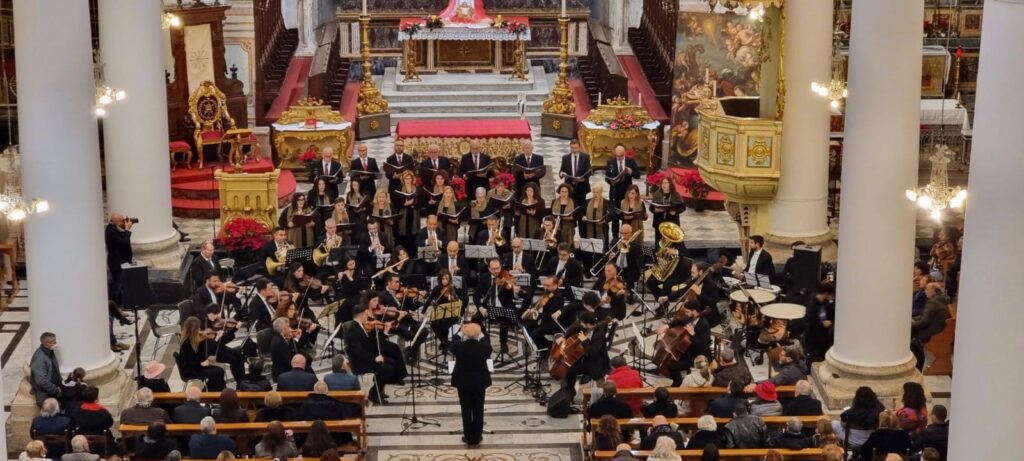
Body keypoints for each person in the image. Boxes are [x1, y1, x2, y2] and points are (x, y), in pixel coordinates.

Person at [346, 303, 405, 404]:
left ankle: (378, 389)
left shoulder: (360, 326)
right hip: (360, 363)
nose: (368, 316)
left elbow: (370, 344)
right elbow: (358, 352)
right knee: (388, 368)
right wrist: (375, 358)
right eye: (366, 314)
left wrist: (385, 332)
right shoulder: (353, 330)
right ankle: (373, 394)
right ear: (360, 315)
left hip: (366, 358)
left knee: (392, 362)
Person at [451, 322, 492, 446]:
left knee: (466, 409)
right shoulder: (485, 347)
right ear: (478, 334)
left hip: (463, 382)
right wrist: (481, 335)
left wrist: (459, 333)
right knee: (479, 409)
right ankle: (477, 436)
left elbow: (453, 342)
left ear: (465, 335)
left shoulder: (458, 346)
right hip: (480, 381)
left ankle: (468, 437)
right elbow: (486, 340)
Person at [605, 144, 640, 235]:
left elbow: (638, 175)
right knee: (615, 216)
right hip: (615, 193)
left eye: (621, 156)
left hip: (627, 194)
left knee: (627, 215)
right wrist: (612, 181)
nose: (619, 158)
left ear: (625, 153)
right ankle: (615, 236)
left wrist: (631, 172)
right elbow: (607, 177)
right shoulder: (610, 162)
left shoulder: (630, 161)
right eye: (617, 156)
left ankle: (628, 235)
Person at [840, 386, 886, 451]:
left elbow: (843, 424)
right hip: (872, 440)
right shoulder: (879, 409)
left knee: (835, 424)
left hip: (854, 440)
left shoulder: (851, 413)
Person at [804, 282, 836, 364]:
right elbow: (810, 323)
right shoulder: (812, 305)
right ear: (826, 294)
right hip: (815, 341)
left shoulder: (823, 303)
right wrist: (822, 324)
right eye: (831, 295)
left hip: (823, 339)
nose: (832, 298)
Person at [105, 212, 134, 302]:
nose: (124, 222)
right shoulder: (110, 232)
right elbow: (124, 243)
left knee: (122, 284)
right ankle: (117, 304)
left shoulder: (115, 228)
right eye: (122, 221)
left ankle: (121, 302)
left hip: (122, 261)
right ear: (117, 222)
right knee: (118, 284)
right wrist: (127, 230)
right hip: (117, 263)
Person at [30, 332, 62, 406]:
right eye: (53, 342)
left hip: (53, 389)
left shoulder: (50, 351)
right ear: (46, 344)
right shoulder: (39, 359)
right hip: (45, 394)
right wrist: (56, 390)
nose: (56, 343)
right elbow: (41, 381)